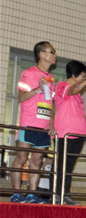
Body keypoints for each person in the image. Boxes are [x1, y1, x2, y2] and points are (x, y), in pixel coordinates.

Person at [10, 41, 56, 204]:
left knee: (36, 161)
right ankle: (16, 194)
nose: (55, 54)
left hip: (43, 126)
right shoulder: (28, 73)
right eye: (52, 51)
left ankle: (32, 195)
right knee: (21, 157)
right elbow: (21, 97)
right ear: (42, 54)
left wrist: (51, 121)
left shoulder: (51, 80)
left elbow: (50, 103)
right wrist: (37, 88)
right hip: (28, 122)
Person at [53, 60, 86, 205]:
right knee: (61, 165)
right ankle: (56, 194)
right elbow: (72, 90)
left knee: (69, 166)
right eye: (82, 74)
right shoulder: (62, 85)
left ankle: (65, 194)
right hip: (64, 134)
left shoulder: (78, 95)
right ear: (74, 74)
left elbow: (81, 112)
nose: (83, 78)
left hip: (78, 135)